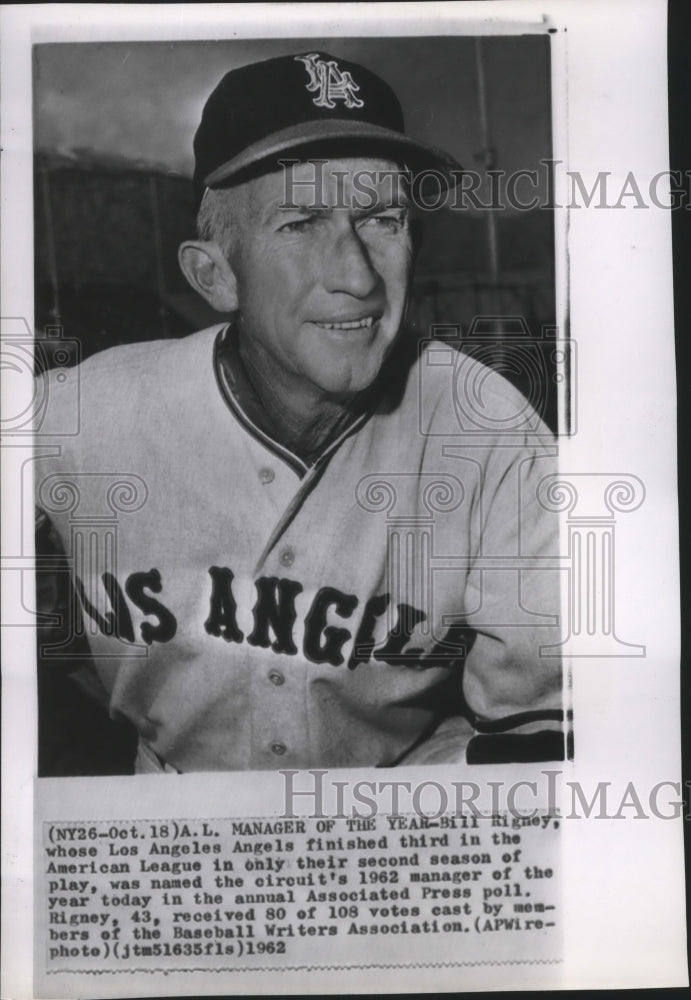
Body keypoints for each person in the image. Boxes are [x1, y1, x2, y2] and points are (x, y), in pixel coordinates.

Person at [34, 51, 563, 774]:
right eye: (301, 222)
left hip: (409, 826)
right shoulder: (85, 414)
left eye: (382, 219)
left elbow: (543, 732)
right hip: (166, 834)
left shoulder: (488, 428)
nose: (355, 276)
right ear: (213, 275)